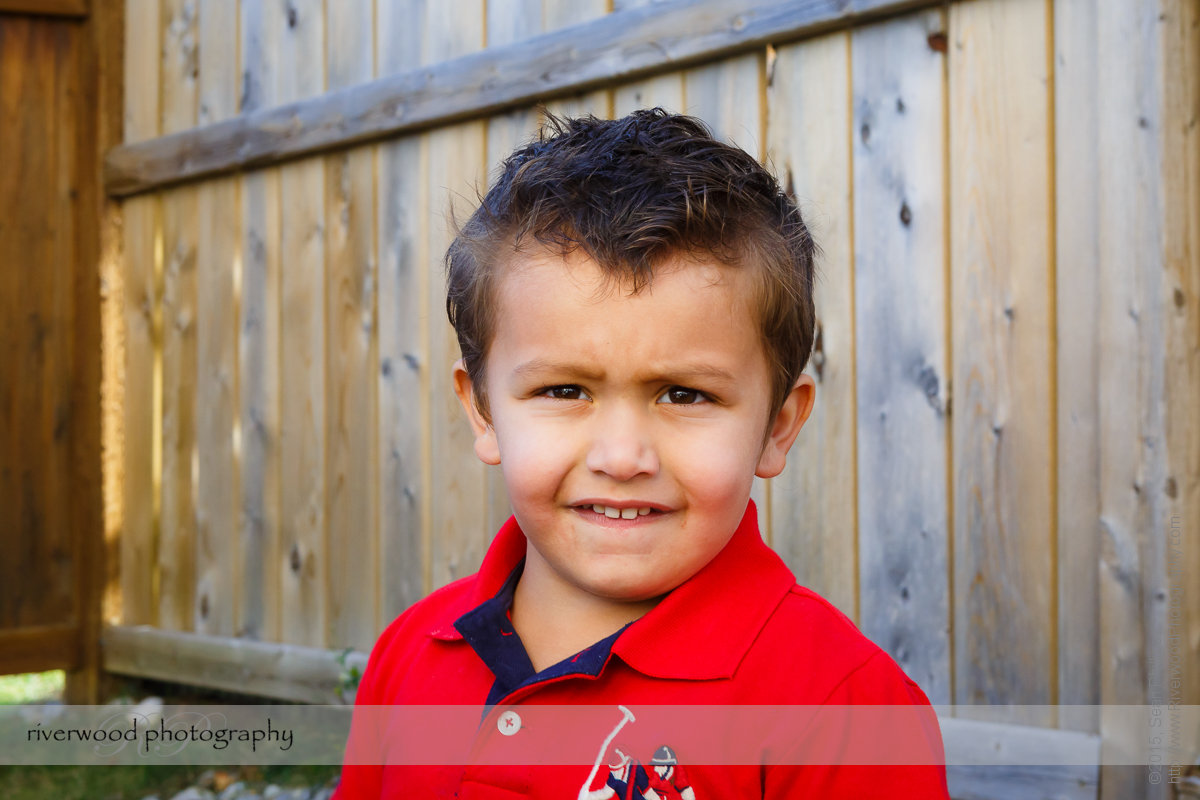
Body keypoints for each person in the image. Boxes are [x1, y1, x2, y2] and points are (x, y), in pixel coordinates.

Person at [334, 109, 949, 798]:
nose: (623, 457)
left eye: (684, 395)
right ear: (481, 410)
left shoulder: (843, 709)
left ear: (778, 426)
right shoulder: (409, 654)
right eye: (565, 389)